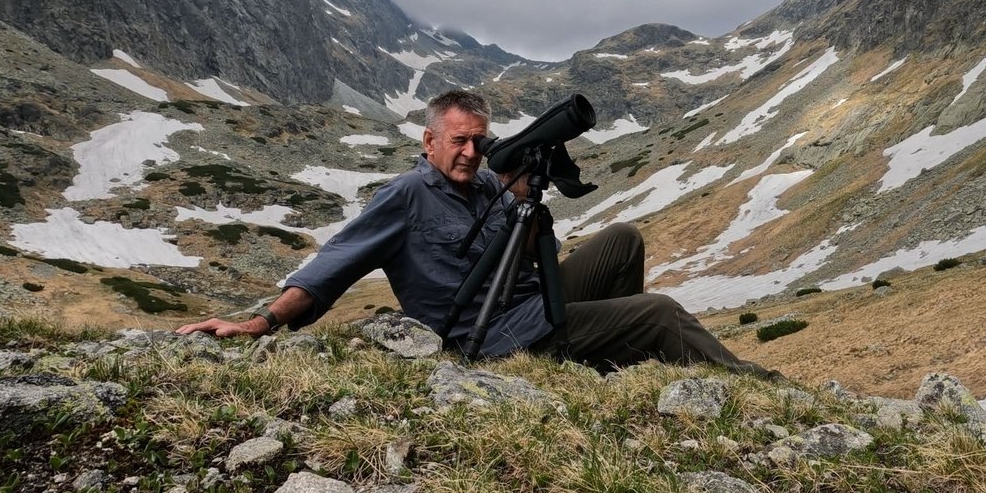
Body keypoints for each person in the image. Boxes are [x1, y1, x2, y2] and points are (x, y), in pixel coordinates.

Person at [178, 90, 771, 378]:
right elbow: (333, 266)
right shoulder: (406, 197)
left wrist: (526, 195)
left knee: (623, 240)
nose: (469, 152)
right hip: (487, 336)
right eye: (457, 141)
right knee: (660, 311)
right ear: (429, 141)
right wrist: (260, 323)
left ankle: (607, 359)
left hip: (530, 305)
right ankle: (749, 381)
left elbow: (534, 254)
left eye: (477, 141)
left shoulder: (490, 185)